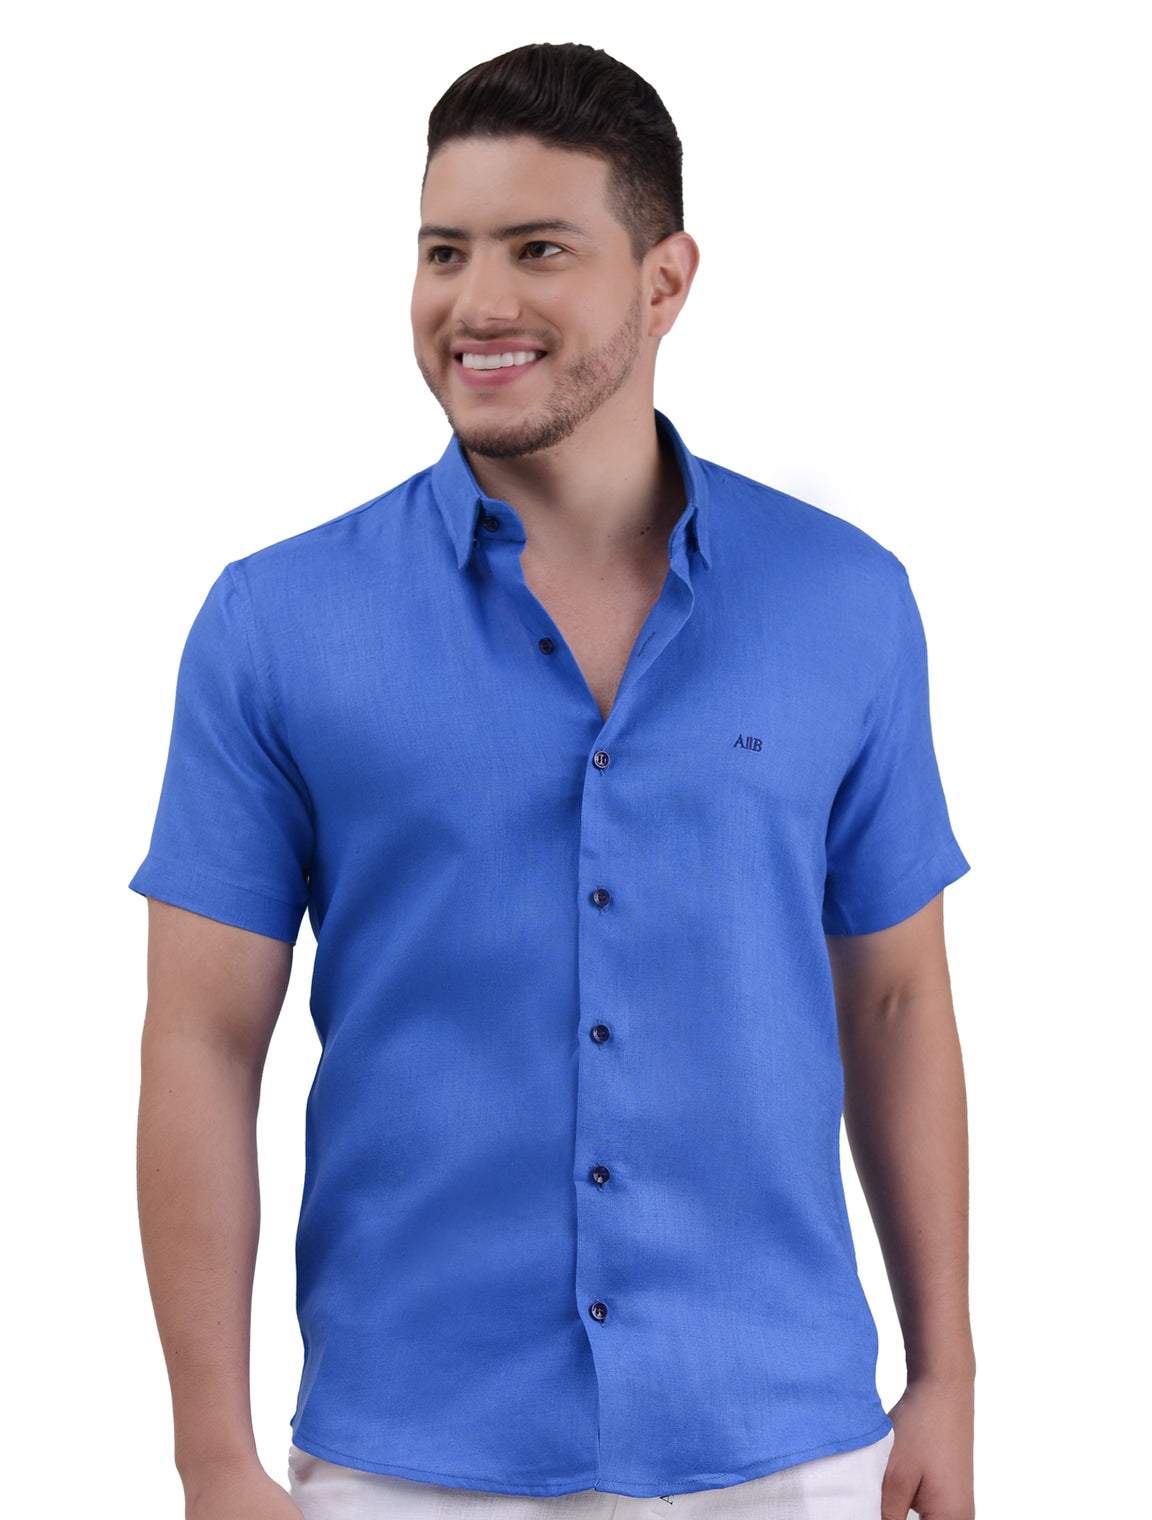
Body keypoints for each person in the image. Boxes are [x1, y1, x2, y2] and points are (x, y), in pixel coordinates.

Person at [133, 41, 975, 1520]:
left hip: (783, 1442)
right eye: (443, 251)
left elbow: (899, 998)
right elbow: (203, 1042)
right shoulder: (274, 625)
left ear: (666, 281)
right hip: (405, 1457)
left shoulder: (845, 602)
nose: (477, 303)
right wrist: (213, 1455)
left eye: (539, 249)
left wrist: (947, 1374)